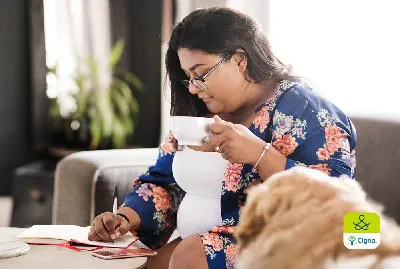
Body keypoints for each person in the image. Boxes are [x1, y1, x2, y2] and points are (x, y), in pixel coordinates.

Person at [88, 7, 356, 269]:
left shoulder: (306, 110)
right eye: (189, 78)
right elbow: (165, 183)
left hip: (283, 241)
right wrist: (125, 218)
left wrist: (260, 154)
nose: (193, 88)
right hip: (202, 242)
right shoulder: (198, 114)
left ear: (240, 60)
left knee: (190, 256)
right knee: (144, 261)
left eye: (201, 74)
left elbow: (335, 199)